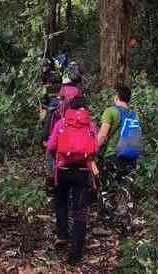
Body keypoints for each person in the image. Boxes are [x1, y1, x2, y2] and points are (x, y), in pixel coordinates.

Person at [45, 95, 98, 265]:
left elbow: (52, 146)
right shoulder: (90, 125)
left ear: (70, 108)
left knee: (61, 202)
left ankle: (62, 235)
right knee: (80, 212)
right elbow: (95, 148)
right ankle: (75, 255)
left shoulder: (61, 123)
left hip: (63, 170)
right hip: (82, 172)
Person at [97, 84, 141, 230]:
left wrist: (92, 150)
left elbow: (102, 135)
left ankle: (106, 223)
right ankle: (128, 223)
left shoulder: (111, 111)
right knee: (126, 188)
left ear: (117, 97)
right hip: (131, 157)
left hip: (113, 156)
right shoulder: (133, 114)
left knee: (105, 189)